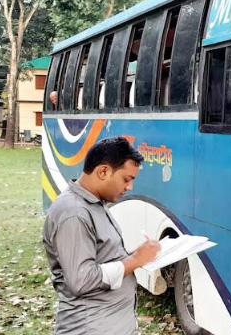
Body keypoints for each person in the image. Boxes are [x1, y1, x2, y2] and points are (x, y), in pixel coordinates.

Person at [43, 137, 161, 335]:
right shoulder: (74, 213)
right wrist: (134, 260)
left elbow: (103, 257)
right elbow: (82, 280)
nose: (129, 187)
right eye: (126, 179)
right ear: (103, 171)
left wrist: (141, 255)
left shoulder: (93, 204)